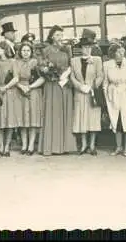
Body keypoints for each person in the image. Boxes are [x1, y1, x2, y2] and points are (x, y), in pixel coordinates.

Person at [38, 25, 77, 156]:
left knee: (64, 112)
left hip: (64, 84)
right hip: (52, 85)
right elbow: (41, 65)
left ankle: (66, 146)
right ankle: (51, 146)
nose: (60, 37)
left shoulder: (67, 50)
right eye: (57, 35)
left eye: (61, 35)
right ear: (52, 36)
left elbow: (71, 65)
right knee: (52, 113)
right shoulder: (46, 50)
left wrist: (66, 75)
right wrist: (45, 70)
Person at [70, 31, 104, 156]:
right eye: (85, 47)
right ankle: (84, 144)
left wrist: (93, 86)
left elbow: (101, 75)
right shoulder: (74, 61)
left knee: (93, 119)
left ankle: (92, 145)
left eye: (89, 47)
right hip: (80, 93)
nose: (87, 49)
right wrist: (80, 86)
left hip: (92, 92)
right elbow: (72, 77)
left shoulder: (97, 60)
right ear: (81, 48)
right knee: (82, 119)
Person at [104, 40, 126, 157]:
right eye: (117, 52)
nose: (120, 53)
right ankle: (118, 147)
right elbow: (105, 83)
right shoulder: (107, 65)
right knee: (116, 122)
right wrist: (107, 97)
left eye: (122, 51)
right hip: (113, 96)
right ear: (112, 53)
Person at [0, 41, 21, 157]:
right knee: (0, 122)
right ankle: (1, 146)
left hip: (10, 93)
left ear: (5, 49)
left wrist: (6, 87)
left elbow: (16, 78)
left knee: (9, 121)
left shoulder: (12, 62)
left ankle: (7, 146)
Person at [15, 43, 44, 155]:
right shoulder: (17, 63)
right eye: (23, 50)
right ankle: (24, 144)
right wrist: (21, 86)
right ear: (20, 52)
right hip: (20, 91)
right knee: (22, 118)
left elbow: (43, 78)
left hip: (34, 90)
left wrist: (30, 87)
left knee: (32, 119)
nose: (25, 52)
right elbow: (13, 78)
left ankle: (31, 145)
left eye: (28, 50)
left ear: (31, 51)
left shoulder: (36, 63)